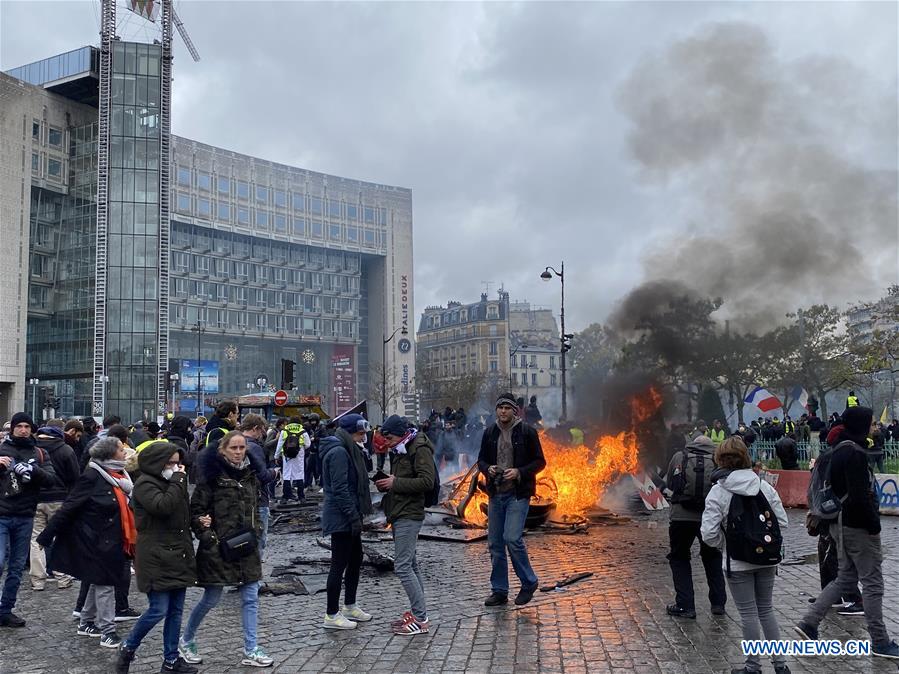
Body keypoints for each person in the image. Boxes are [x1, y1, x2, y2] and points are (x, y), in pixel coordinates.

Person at [794, 406, 899, 659]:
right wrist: (873, 526)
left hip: (838, 523)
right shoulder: (855, 453)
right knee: (873, 584)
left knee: (846, 579)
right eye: (872, 424)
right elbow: (859, 496)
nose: (875, 428)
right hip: (858, 526)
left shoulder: (839, 450)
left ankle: (809, 621)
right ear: (862, 425)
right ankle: (880, 641)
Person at [179, 431, 274, 668]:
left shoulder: (251, 474)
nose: (239, 452)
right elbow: (196, 511)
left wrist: (258, 530)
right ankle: (186, 639)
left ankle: (251, 648)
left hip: (247, 546)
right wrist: (208, 536)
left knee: (251, 598)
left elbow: (255, 506)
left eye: (242, 448)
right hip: (219, 549)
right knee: (211, 598)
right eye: (234, 448)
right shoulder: (211, 477)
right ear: (222, 450)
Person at [701, 437, 790, 674]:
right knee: (766, 610)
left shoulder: (718, 492)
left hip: (737, 563)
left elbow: (708, 534)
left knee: (748, 613)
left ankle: (753, 666)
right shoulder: (764, 487)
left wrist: (728, 544)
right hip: (767, 559)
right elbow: (783, 522)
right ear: (746, 458)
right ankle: (780, 665)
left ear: (720, 460)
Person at [36, 436, 135, 648]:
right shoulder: (92, 476)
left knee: (97, 580)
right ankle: (107, 631)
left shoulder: (119, 476)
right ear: (109, 454)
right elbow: (69, 507)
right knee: (106, 583)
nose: (125, 452)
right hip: (95, 540)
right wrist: (46, 536)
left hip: (114, 538)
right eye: (120, 449)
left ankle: (86, 622)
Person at [116, 442, 198, 674]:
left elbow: (181, 513)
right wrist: (179, 480)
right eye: (170, 462)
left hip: (178, 552)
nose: (176, 467)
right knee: (158, 609)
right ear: (157, 463)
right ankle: (128, 647)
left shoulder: (172, 483)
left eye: (177, 462)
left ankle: (171, 659)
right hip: (155, 555)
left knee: (176, 611)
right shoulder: (145, 484)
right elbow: (162, 506)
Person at [477, 394, 546, 608]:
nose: (503, 411)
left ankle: (529, 581)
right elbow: (481, 460)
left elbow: (540, 462)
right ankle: (499, 591)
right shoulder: (489, 433)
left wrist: (519, 472)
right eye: (500, 408)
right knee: (495, 544)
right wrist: (488, 468)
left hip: (518, 494)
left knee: (512, 538)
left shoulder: (527, 432)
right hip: (496, 494)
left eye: (507, 408)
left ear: (514, 410)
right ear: (496, 410)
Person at [375, 415, 436, 635]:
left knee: (402, 566)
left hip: (410, 512)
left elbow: (427, 482)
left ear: (401, 433)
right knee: (411, 564)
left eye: (389, 437)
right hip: (400, 510)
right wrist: (390, 483)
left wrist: (395, 482)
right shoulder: (402, 447)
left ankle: (420, 620)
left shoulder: (418, 448)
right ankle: (419, 613)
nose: (387, 441)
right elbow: (406, 477)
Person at [0, 413, 60, 627]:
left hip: (25, 515)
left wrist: (33, 470)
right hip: (2, 514)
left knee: (16, 568)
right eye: (19, 426)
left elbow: (52, 480)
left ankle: (5, 610)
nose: (23, 430)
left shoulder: (39, 453)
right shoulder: (1, 449)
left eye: (27, 426)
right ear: (12, 428)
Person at [664, 433, 726, 618]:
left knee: (680, 558)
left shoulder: (680, 456)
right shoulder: (718, 459)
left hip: (681, 518)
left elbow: (670, 483)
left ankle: (685, 605)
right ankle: (718, 604)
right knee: (713, 557)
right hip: (709, 517)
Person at [320, 428, 370, 630]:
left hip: (347, 515)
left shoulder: (345, 449)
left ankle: (349, 605)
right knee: (338, 564)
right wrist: (352, 516)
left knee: (356, 558)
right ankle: (331, 614)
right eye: (360, 434)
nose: (363, 438)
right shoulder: (339, 452)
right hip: (341, 517)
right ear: (350, 434)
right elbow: (340, 489)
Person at [30, 424, 80, 591]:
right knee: (61, 537)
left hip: (36, 499)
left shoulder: (33, 450)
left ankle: (37, 580)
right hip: (59, 499)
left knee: (36, 539)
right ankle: (63, 577)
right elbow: (74, 477)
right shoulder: (66, 450)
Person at [238, 414, 279, 559]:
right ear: (255, 428)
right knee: (258, 542)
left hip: (239, 500)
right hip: (258, 500)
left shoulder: (234, 444)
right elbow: (263, 476)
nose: (263, 435)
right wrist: (274, 473)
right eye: (262, 431)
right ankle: (252, 579)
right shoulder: (254, 447)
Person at [274, 417, 309, 502]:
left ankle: (285, 496)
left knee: (286, 475)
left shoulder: (284, 431)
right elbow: (308, 444)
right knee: (299, 474)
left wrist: (276, 456)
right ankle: (301, 497)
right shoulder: (302, 431)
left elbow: (279, 445)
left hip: (286, 455)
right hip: (299, 455)